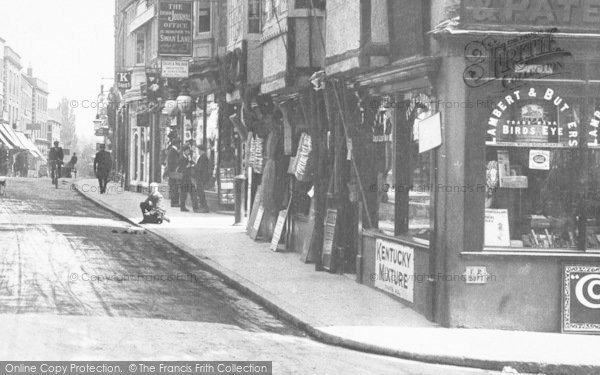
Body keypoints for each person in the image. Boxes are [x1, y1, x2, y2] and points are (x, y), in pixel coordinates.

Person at [177, 145, 199, 212]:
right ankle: (183, 207)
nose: (188, 152)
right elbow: (180, 169)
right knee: (184, 194)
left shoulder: (188, 158)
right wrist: (187, 166)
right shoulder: (181, 159)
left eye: (189, 151)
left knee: (193, 193)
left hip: (189, 179)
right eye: (187, 151)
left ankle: (195, 208)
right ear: (184, 151)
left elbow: (193, 163)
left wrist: (192, 163)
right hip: (184, 179)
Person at [194, 144, 211, 213]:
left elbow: (201, 169)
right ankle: (203, 207)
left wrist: (195, 166)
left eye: (198, 150)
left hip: (201, 178)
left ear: (201, 150)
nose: (198, 151)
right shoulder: (203, 157)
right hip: (201, 178)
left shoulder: (203, 158)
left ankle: (204, 207)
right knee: (200, 193)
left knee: (201, 193)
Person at [165, 140, 181, 207]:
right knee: (174, 187)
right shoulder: (173, 151)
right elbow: (172, 162)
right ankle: (174, 203)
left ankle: (174, 202)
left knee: (174, 187)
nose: (179, 145)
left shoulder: (172, 151)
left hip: (172, 172)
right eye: (179, 143)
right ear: (176, 144)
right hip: (173, 172)